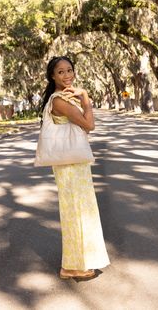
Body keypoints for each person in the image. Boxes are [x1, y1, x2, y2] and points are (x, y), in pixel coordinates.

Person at [40, 56, 110, 279]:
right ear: (52, 76)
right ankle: (71, 266)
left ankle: (76, 262)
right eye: (61, 72)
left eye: (69, 70)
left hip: (73, 163)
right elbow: (89, 125)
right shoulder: (60, 101)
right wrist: (86, 98)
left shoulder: (61, 98)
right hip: (69, 166)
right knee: (75, 212)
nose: (67, 75)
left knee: (77, 211)